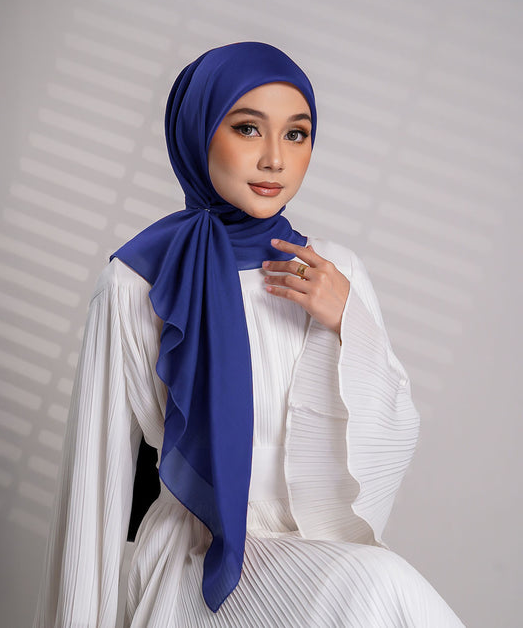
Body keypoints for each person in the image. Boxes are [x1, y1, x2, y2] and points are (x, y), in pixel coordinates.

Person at [33, 42, 464, 627]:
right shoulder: (137, 282)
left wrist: (349, 324)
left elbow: (393, 435)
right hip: (197, 558)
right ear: (198, 131)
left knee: (376, 584)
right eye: (247, 128)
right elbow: (95, 478)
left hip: (317, 544)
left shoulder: (332, 270)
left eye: (296, 134)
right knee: (379, 586)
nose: (275, 160)